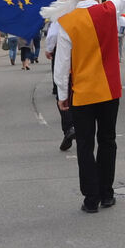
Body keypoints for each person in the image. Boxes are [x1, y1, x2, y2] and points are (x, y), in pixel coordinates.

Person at [47, 0, 125, 213]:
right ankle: (107, 193)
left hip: (81, 93)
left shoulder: (67, 22)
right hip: (109, 90)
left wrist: (62, 95)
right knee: (108, 141)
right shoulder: (110, 10)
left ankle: (91, 199)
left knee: (85, 145)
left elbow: (62, 65)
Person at [45, 19, 76, 150]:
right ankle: (76, 127)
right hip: (82, 51)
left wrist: (49, 48)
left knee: (62, 89)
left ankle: (69, 128)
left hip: (63, 49)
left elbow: (53, 33)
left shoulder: (61, 13)